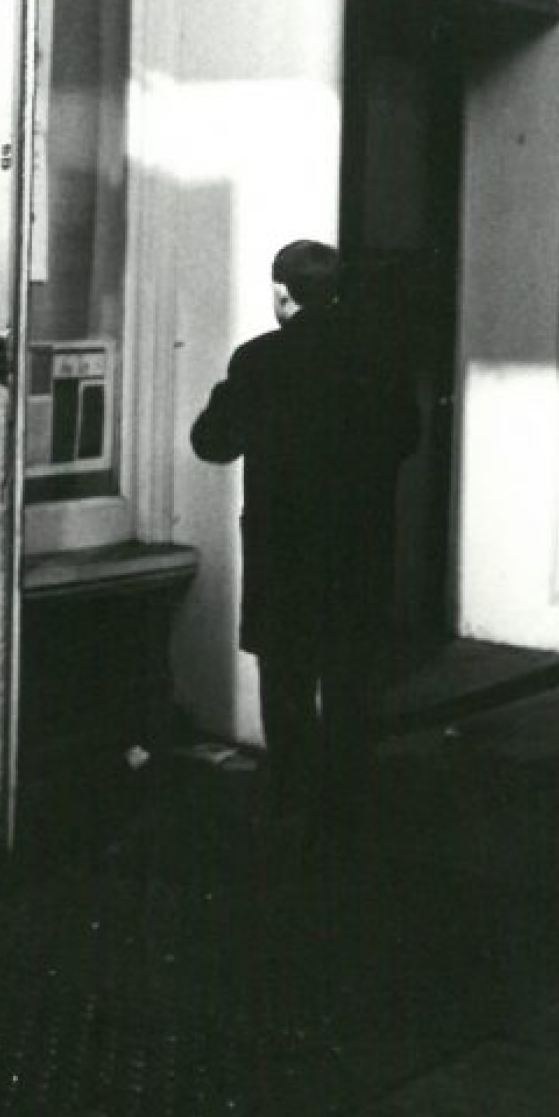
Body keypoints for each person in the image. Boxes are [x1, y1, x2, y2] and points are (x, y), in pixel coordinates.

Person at [190, 237, 418, 828]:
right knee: (351, 681)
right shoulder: (380, 355)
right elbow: (407, 437)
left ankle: (293, 804)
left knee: (286, 681)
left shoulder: (259, 360)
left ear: (283, 292)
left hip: (284, 551)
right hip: (358, 548)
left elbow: (212, 442)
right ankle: (347, 808)